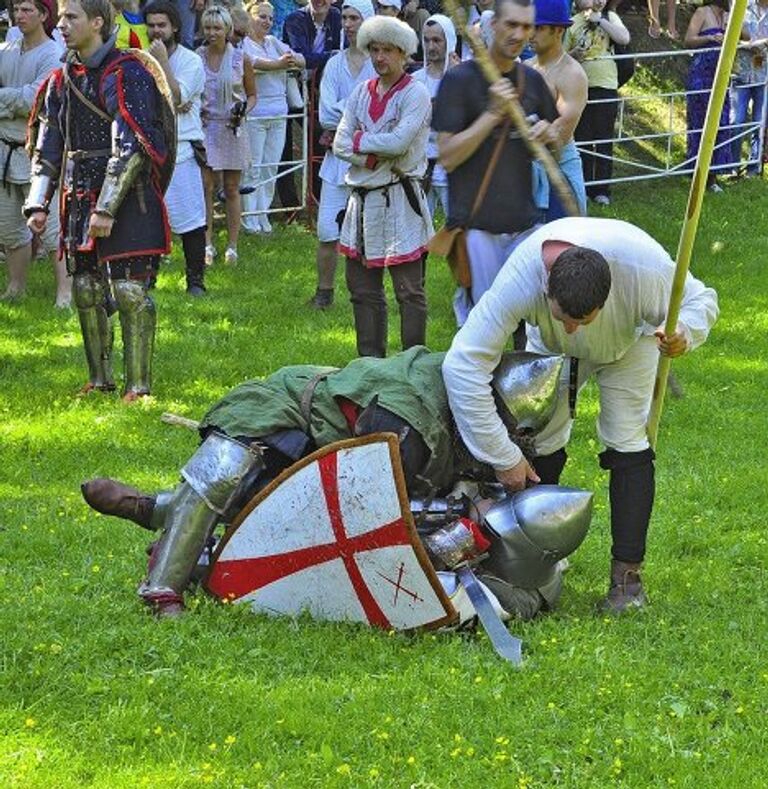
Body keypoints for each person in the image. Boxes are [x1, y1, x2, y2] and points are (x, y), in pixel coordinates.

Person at [80, 346, 575, 617]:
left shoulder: (455, 413)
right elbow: (373, 514)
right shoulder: (409, 423)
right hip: (282, 412)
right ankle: (164, 587)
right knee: (228, 476)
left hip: (322, 458)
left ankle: (158, 511)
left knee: (273, 517)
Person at [442, 217, 719, 613]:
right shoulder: (520, 277)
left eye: (582, 320)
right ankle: (536, 557)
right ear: (546, 288)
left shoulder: (645, 271)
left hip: (633, 340)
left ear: (605, 299)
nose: (573, 329)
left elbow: (702, 299)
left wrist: (685, 331)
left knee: (626, 441)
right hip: (550, 350)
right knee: (540, 436)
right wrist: (503, 455)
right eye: (563, 317)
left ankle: (627, 582)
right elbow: (463, 365)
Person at [25, 0, 175, 401]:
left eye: (71, 17)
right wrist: (38, 203)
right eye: (60, 17)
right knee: (87, 289)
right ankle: (99, 378)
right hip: (78, 194)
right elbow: (48, 145)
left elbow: (133, 143)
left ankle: (139, 386)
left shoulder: (128, 72)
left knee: (130, 292)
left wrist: (107, 207)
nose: (62, 25)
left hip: (129, 195)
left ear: (97, 22)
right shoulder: (60, 80)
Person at [432, 0, 558, 327]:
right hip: (477, 229)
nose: (519, 34)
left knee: (533, 326)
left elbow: (553, 146)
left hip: (525, 224)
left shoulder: (533, 82)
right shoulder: (459, 81)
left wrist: (548, 135)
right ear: (492, 25)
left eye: (527, 27)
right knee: (485, 327)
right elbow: (448, 156)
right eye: (511, 24)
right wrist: (492, 114)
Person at [333, 15, 432, 358]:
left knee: (409, 290)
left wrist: (361, 141)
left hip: (399, 198)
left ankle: (413, 364)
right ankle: (369, 364)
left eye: (387, 50)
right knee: (362, 290)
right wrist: (372, 156)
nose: (379, 57)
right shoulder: (361, 92)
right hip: (361, 201)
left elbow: (400, 143)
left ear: (403, 53)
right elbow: (339, 144)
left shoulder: (416, 94)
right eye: (374, 49)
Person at [0, 0, 70, 306]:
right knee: (9, 226)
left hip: (41, 149)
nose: (19, 15)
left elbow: (35, 100)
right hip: (4, 149)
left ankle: (64, 294)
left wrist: (5, 100)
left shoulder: (54, 54)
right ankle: (16, 288)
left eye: (28, 9)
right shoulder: (6, 50)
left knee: (52, 226)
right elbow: (22, 97)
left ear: (44, 15)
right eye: (17, 9)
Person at [309, 0, 375, 309]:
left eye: (354, 18)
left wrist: (349, 113)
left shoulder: (379, 63)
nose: (347, 24)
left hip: (368, 162)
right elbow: (326, 116)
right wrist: (359, 112)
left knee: (365, 234)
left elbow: (381, 115)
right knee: (326, 230)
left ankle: (363, 295)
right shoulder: (334, 64)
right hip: (337, 162)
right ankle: (324, 293)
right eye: (345, 17)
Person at [144, 1, 208, 297]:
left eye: (162, 25)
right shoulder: (141, 60)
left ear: (175, 27)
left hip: (182, 149)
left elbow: (177, 95)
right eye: (152, 25)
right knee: (150, 217)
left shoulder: (191, 61)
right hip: (150, 148)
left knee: (191, 218)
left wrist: (162, 64)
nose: (156, 31)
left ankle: (195, 282)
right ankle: (148, 279)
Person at [198, 4, 256, 266]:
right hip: (207, 126)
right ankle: (207, 243)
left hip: (233, 127)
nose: (212, 32)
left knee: (232, 188)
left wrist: (244, 110)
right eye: (207, 27)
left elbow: (252, 94)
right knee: (206, 187)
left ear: (227, 29)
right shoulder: (197, 57)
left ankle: (232, 246)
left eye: (217, 28)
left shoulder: (241, 58)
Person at [241, 0, 305, 235]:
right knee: (253, 167)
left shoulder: (272, 42)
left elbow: (297, 57)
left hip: (279, 113)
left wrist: (289, 60)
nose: (267, 21)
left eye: (270, 18)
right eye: (262, 17)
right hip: (255, 115)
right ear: (249, 18)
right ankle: (249, 219)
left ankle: (263, 214)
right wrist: (278, 64)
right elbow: (252, 63)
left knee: (271, 167)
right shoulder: (243, 44)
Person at [565, 0, 630, 207]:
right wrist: (572, 56)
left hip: (607, 87)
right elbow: (560, 57)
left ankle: (601, 189)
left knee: (604, 140)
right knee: (582, 140)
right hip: (580, 89)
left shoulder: (610, 17)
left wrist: (600, 20)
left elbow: (624, 38)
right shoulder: (571, 23)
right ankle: (582, 187)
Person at [529, 0, 588, 222]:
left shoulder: (572, 74)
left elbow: (558, 138)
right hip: (525, 171)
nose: (531, 34)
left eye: (539, 27)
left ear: (559, 30)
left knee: (563, 250)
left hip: (558, 173)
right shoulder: (526, 68)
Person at [281, 0, 342, 207]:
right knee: (286, 145)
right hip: (292, 89)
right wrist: (332, 57)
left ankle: (320, 198)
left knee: (320, 138)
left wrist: (317, 60)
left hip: (322, 88)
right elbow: (300, 57)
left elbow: (345, 53)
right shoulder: (295, 19)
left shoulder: (337, 16)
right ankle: (292, 205)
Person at [684, 0, 735, 192]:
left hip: (720, 74)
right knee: (700, 122)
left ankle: (713, 174)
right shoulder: (702, 12)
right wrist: (710, 37)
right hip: (701, 75)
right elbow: (688, 40)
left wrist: (730, 23)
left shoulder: (728, 16)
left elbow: (745, 35)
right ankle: (697, 171)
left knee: (720, 122)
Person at [413, 13, 458, 219]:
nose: (431, 46)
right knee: (419, 233)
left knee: (459, 234)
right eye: (427, 40)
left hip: (454, 165)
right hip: (422, 165)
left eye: (437, 40)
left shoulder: (464, 76)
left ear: (449, 41)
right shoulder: (415, 81)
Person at [731, 0, 768, 176]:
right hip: (741, 74)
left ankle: (754, 167)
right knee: (736, 121)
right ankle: (732, 166)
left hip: (764, 76)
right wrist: (752, 45)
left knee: (759, 122)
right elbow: (732, 34)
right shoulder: (742, 7)